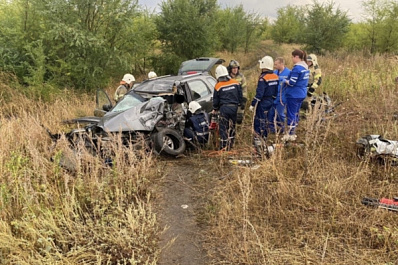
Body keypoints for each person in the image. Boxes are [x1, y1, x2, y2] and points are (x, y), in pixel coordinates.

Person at [281, 49, 310, 141]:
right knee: (296, 113)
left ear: (297, 57)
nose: (292, 59)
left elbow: (292, 82)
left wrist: (284, 80)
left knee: (291, 113)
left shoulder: (297, 68)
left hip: (294, 94)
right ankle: (294, 131)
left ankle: (290, 134)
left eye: (292, 57)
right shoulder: (306, 67)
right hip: (302, 93)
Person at [212, 65, 243, 150]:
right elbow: (240, 96)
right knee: (232, 126)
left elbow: (216, 100)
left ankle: (224, 146)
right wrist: (240, 105)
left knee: (223, 127)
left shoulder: (218, 86)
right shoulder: (235, 82)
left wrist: (215, 108)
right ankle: (231, 144)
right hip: (234, 108)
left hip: (224, 108)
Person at [249, 56, 278, 140]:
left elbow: (259, 93)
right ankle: (265, 136)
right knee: (267, 120)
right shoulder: (275, 76)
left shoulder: (263, 78)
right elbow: (276, 91)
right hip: (271, 101)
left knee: (259, 120)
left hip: (263, 101)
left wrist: (253, 104)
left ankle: (258, 138)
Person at [268, 57, 291, 134]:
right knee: (270, 113)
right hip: (273, 96)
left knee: (280, 114)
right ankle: (271, 129)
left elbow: (291, 83)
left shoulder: (289, 72)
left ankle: (283, 128)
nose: (275, 66)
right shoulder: (274, 72)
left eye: (276, 64)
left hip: (282, 97)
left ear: (281, 64)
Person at [227, 60, 247, 124]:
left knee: (239, 119)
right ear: (230, 69)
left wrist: (244, 100)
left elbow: (244, 89)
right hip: (230, 101)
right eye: (233, 68)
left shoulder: (241, 77)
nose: (235, 70)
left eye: (236, 68)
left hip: (239, 100)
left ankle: (237, 131)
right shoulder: (227, 78)